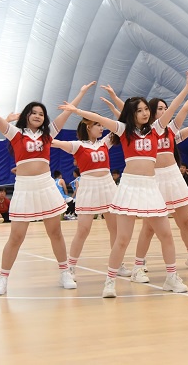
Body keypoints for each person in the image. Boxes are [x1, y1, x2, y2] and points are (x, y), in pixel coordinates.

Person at [59, 75, 188, 298]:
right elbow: (100, 118)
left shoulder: (157, 128)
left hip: (151, 187)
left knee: (166, 234)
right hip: (129, 187)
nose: (145, 113)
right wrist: (76, 111)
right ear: (132, 114)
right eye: (140, 110)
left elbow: (175, 108)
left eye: (146, 109)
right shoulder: (124, 130)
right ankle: (110, 282)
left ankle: (171, 277)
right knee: (122, 239)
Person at [0, 81, 93, 295]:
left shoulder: (48, 133)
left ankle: (64, 272)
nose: (38, 116)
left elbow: (67, 112)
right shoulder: (15, 133)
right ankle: (3, 279)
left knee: (55, 232)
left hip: (46, 185)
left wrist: (81, 92)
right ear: (27, 116)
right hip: (24, 188)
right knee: (16, 236)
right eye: (34, 113)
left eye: (41, 114)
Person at [106, 79, 188, 282]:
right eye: (160, 108)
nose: (164, 111)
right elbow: (127, 111)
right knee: (149, 228)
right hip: (152, 179)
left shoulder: (171, 129)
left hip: (173, 177)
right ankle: (139, 265)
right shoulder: (142, 131)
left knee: (187, 222)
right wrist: (114, 98)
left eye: (165, 108)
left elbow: (184, 107)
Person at [51, 117, 122, 280]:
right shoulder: (78, 145)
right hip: (89, 186)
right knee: (83, 230)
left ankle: (117, 264)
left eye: (102, 125)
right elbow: (54, 142)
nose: (102, 127)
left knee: (115, 228)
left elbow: (121, 125)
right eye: (98, 124)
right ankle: (70, 268)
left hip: (108, 185)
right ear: (88, 127)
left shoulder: (105, 142)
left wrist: (112, 105)